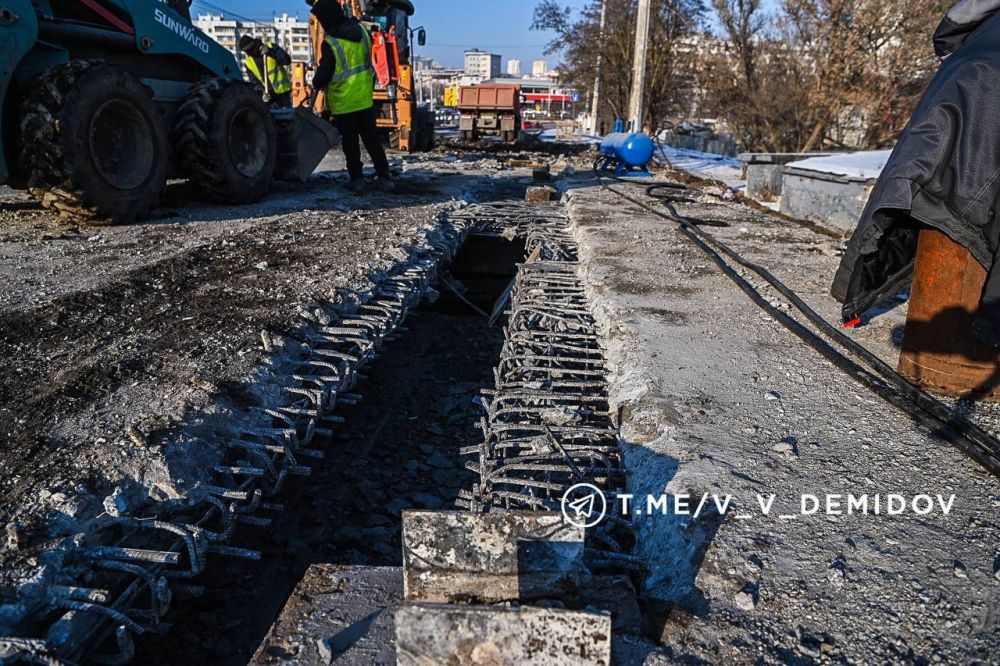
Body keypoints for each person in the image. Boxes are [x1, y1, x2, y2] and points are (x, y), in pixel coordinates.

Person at [309, 0, 395, 194]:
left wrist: (316, 82)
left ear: (327, 18)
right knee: (371, 139)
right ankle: (384, 176)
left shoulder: (331, 43)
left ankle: (357, 179)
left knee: (350, 142)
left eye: (322, 19)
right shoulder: (362, 32)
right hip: (364, 98)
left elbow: (326, 73)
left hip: (344, 102)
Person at [239, 36, 293, 109]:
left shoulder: (270, 47)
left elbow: (287, 60)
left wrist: (270, 52)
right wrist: (262, 93)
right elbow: (255, 82)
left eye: (250, 49)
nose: (250, 52)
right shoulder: (249, 63)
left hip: (283, 94)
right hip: (270, 97)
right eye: (247, 51)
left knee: (287, 117)